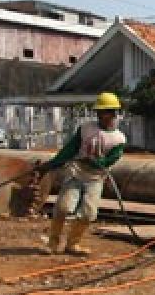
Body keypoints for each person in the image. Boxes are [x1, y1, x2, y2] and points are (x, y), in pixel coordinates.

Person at [40, 92, 128, 255]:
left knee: (88, 214)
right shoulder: (86, 129)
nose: (102, 115)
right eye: (100, 112)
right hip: (76, 172)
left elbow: (111, 160)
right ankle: (53, 243)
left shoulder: (119, 139)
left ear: (114, 113)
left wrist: (97, 162)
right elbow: (69, 150)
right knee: (63, 208)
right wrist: (52, 164)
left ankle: (73, 244)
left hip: (95, 178)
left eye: (106, 112)